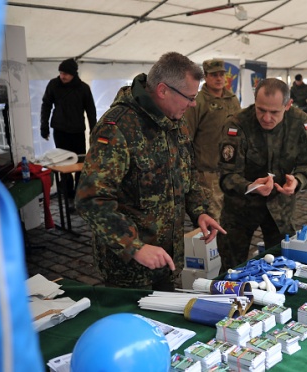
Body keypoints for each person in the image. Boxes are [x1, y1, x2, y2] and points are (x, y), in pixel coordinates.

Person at [75, 52, 226, 290]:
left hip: (167, 259)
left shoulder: (176, 121)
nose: (193, 104)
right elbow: (92, 199)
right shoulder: (118, 128)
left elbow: (188, 173)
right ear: (163, 90)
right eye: (189, 97)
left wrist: (199, 212)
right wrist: (134, 246)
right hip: (129, 270)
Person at [217, 78, 307, 272]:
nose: (266, 118)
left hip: (280, 209)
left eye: (274, 112)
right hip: (240, 209)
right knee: (231, 268)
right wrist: (250, 186)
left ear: (288, 105)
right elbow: (227, 176)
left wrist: (297, 181)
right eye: (261, 110)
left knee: (282, 267)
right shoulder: (237, 124)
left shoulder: (300, 123)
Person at [183, 58, 242, 220]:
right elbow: (187, 135)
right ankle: (214, 245)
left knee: (231, 213)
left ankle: (227, 244)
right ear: (206, 77)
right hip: (208, 170)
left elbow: (241, 128)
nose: (218, 79)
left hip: (231, 168)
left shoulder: (232, 99)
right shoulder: (198, 101)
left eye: (221, 75)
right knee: (213, 215)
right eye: (213, 75)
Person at [40, 58, 97, 200]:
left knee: (79, 162)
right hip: (59, 130)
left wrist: (94, 131)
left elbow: (91, 110)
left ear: (73, 74)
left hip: (77, 131)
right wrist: (44, 126)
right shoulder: (53, 85)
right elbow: (46, 106)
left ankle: (79, 192)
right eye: (61, 73)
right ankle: (66, 192)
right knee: (62, 163)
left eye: (66, 73)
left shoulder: (83, 88)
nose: (62, 76)